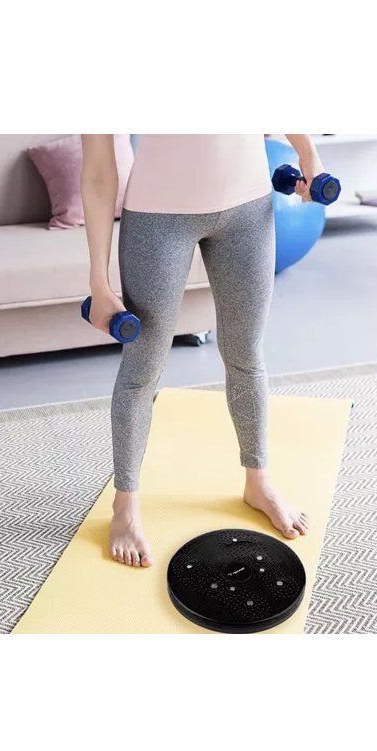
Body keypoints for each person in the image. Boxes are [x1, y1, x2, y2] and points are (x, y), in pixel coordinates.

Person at [81, 134, 327, 567]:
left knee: (246, 354)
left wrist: (309, 153)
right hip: (158, 217)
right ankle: (125, 505)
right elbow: (100, 173)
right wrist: (99, 283)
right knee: (142, 368)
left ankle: (258, 481)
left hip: (248, 207)